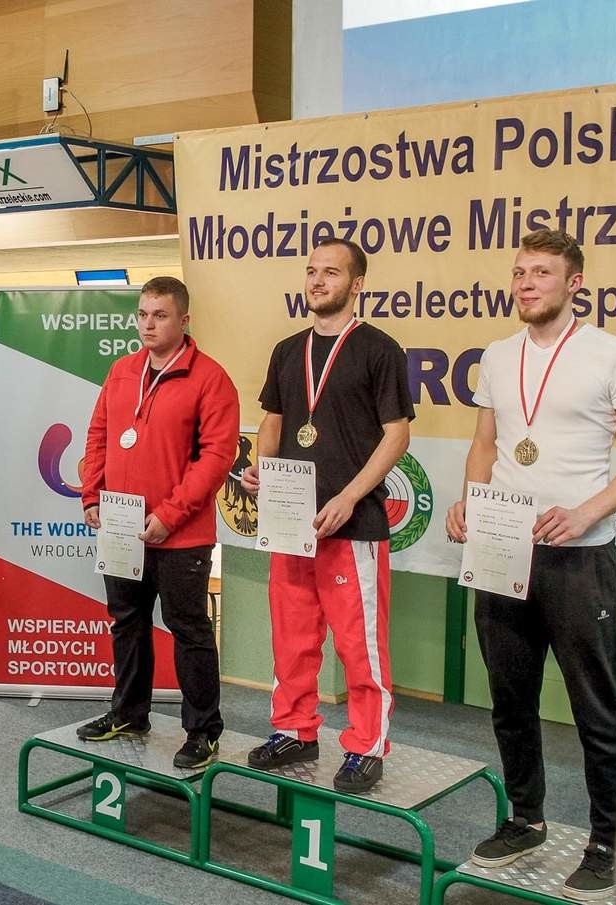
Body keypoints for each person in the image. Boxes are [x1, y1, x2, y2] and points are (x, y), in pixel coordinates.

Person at [445, 229, 616, 901]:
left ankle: (606, 843)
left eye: (540, 272)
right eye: (518, 272)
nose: (526, 283)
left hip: (578, 559)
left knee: (595, 707)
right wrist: (471, 499)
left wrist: (586, 511)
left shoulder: (614, 354)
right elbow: (485, 444)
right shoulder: (497, 355)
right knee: (509, 697)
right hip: (503, 550)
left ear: (574, 283)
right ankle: (525, 818)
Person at [241, 238, 413, 794]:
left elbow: (396, 435)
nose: (317, 281)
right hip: (292, 522)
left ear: (356, 284)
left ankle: (366, 744)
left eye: (331, 273)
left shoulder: (379, 350)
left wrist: (351, 496)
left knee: (359, 645)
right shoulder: (287, 350)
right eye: (312, 271)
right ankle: (295, 728)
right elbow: (274, 419)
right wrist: (264, 467)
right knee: (292, 636)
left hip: (351, 524)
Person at [77, 276, 239, 769]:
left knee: (189, 629)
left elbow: (216, 458)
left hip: (180, 536)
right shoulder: (122, 371)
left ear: (184, 320)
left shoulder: (211, 379)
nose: (148, 325)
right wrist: (91, 494)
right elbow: (99, 434)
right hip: (122, 527)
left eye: (160, 316)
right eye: (143, 315)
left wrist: (169, 516)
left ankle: (203, 731)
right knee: (126, 622)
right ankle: (129, 713)